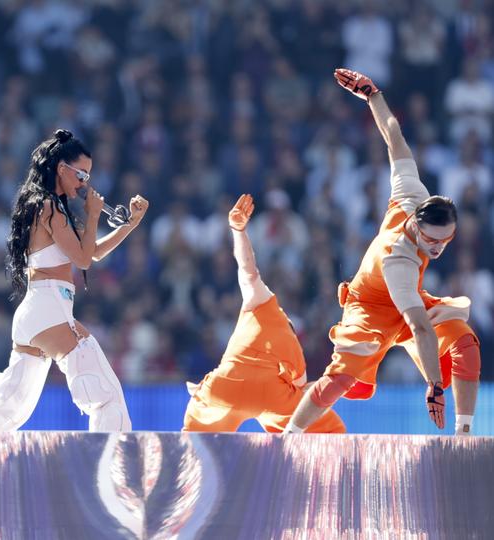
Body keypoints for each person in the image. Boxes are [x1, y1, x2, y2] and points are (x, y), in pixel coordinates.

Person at [285, 69, 480, 435]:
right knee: (339, 381)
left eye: (446, 241)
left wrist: (373, 95)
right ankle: (287, 438)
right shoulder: (399, 259)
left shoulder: (412, 193)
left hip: (409, 303)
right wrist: (433, 385)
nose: (437, 249)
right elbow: (419, 327)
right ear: (416, 227)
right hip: (371, 307)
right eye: (431, 240)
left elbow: (393, 135)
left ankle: (464, 437)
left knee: (465, 343)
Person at [0, 129, 148, 431]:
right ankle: (108, 471)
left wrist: (130, 225)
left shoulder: (47, 206)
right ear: (61, 169)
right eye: (81, 174)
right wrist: (93, 215)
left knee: (8, 410)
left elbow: (91, 252)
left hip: (41, 311)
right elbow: (83, 259)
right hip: (49, 308)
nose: (85, 183)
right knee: (105, 396)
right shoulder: (48, 207)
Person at [183, 194, 345, 433]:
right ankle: (308, 466)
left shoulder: (264, 305)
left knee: (195, 439)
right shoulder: (295, 351)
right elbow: (304, 393)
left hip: (226, 384)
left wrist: (238, 230)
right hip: (273, 397)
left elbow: (247, 269)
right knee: (327, 431)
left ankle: (192, 465)